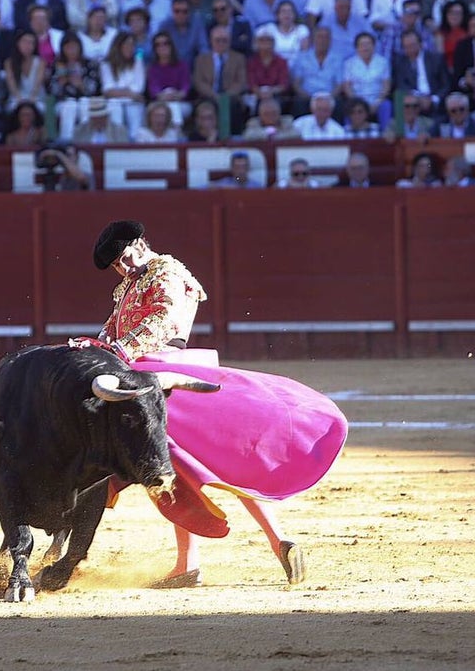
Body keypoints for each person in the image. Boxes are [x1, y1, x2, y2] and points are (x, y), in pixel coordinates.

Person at [89, 220, 348, 587]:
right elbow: (110, 329)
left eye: (123, 257)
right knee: (180, 470)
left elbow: (163, 321)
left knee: (189, 468)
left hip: (170, 376)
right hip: (146, 374)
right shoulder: (127, 287)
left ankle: (237, 551)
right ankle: (241, 550)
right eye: (115, 265)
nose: (122, 267)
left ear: (138, 243)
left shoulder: (168, 271)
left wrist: (119, 351)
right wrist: (95, 348)